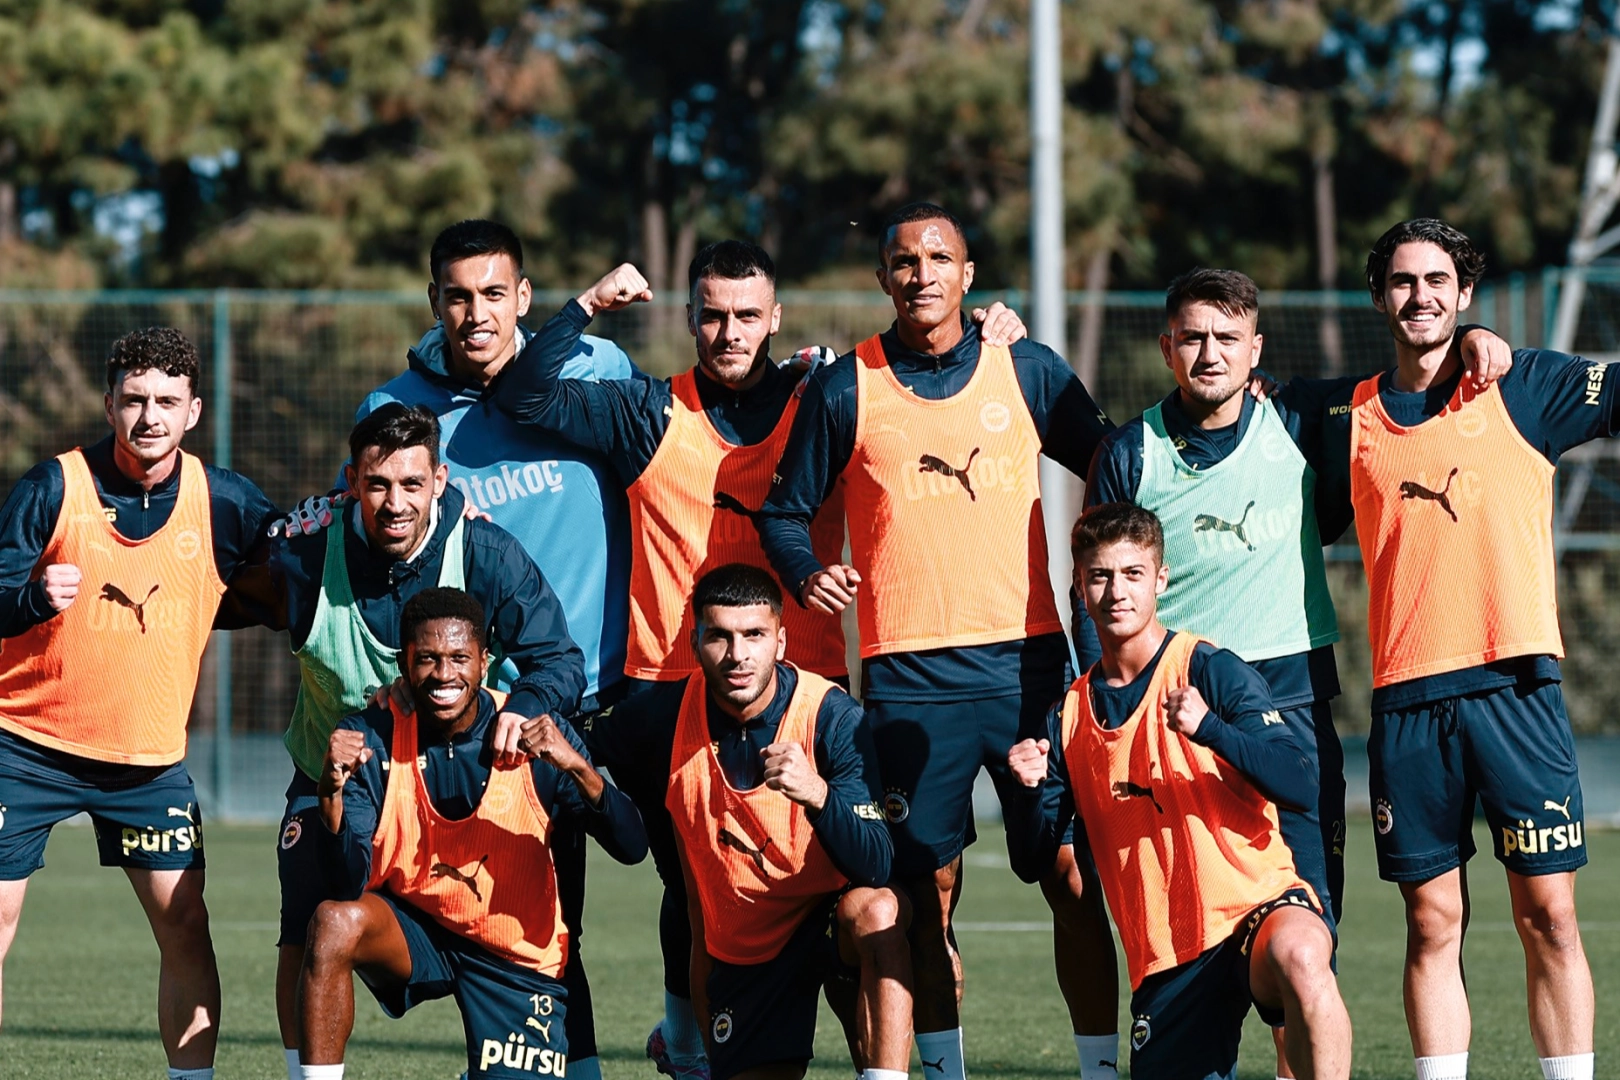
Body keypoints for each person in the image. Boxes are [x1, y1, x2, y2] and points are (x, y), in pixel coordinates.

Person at [496, 239, 1027, 1079]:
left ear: (775, 317)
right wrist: (587, 306)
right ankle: (691, 1046)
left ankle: (889, 1062)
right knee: (696, 890)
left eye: (747, 315)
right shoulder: (648, 412)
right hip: (672, 694)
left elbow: (931, 395)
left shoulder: (826, 398)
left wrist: (991, 334)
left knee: (858, 895)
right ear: (690, 319)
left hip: (809, 693)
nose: (730, 332)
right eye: (712, 315)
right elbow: (522, 394)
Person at [1079, 269, 1510, 1078]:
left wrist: (1477, 342)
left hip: (1292, 702)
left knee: (1307, 931)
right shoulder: (1130, 450)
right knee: (1186, 929)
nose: (1210, 353)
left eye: (1228, 337)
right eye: (1193, 337)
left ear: (1257, 350)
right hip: (1176, 715)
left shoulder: (1303, 419)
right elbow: (1096, 586)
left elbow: (1413, 376)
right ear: (1166, 346)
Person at [757, 202, 1120, 1080]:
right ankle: (944, 1071)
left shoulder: (1025, 367)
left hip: (1030, 665)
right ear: (883, 278)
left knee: (1071, 875)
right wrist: (807, 574)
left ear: (968, 273)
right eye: (903, 262)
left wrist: (1101, 575)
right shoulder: (847, 386)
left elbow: (1113, 461)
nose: (921, 274)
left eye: (938, 258)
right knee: (925, 893)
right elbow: (783, 512)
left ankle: (1100, 1071)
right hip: (908, 677)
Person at [291, 219, 638, 1080]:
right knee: (335, 911)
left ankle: (614, 1054)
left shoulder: (595, 368)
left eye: (494, 294)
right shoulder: (393, 407)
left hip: (564, 691)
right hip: (442, 708)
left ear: (524, 297)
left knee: (557, 919)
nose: (476, 313)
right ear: (434, 301)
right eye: (457, 296)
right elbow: (362, 544)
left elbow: (672, 443)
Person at [1315, 219, 1610, 1080]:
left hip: (1517, 689)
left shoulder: (1526, 386)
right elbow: (1231, 401)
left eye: (1438, 280)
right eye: (1404, 282)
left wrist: (1489, 342)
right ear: (1379, 296)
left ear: (1465, 292)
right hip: (1408, 698)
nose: (1421, 296)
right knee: (1432, 921)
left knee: (1550, 915)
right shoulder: (1341, 415)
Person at [220, 402, 587, 1079]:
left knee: (553, 928)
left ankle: (568, 1060)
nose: (395, 503)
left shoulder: (485, 552)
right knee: (309, 923)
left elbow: (559, 659)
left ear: (440, 481)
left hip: (465, 784)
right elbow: (205, 597)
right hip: (340, 779)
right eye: (378, 484)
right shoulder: (302, 553)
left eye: (412, 484)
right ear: (352, 482)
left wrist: (526, 709)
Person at [0, 327, 280, 1080]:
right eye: (134, 400)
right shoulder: (52, 487)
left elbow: (293, 570)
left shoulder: (226, 500)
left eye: (166, 401)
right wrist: (30, 599)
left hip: (147, 763)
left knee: (185, 923)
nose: (149, 416)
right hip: (21, 746)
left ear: (193, 411)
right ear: (109, 405)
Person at [1007, 503, 1350, 1080]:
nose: (1117, 591)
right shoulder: (1067, 717)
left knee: (1304, 954)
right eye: (1100, 576)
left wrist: (1211, 728)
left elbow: (1299, 780)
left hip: (1256, 910)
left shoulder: (1208, 670)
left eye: (1133, 573)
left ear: (1161, 580)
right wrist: (1026, 792)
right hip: (1168, 958)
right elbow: (1032, 861)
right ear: (1079, 586)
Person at [296, 587, 646, 1080]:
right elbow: (344, 883)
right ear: (404, 664)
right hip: (417, 934)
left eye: (459, 658)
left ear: (484, 662)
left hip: (513, 956)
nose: (444, 674)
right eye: (428, 659)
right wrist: (330, 792)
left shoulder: (536, 734)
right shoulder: (370, 737)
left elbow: (633, 848)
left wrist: (580, 770)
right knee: (333, 922)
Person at [591, 562, 906, 1080]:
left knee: (878, 910)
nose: (738, 654)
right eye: (719, 636)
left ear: (780, 642)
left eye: (754, 635)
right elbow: (580, 741)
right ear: (695, 644)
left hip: (828, 921)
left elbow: (876, 861)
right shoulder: (663, 714)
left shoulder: (830, 714)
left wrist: (818, 793)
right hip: (748, 946)